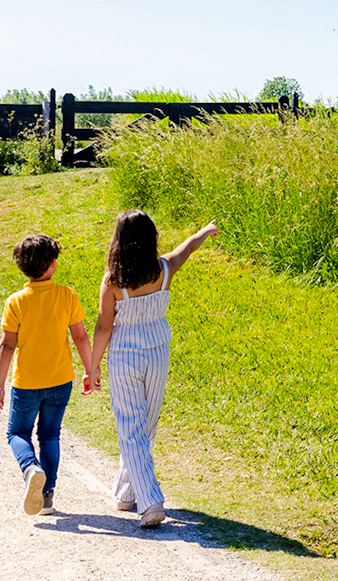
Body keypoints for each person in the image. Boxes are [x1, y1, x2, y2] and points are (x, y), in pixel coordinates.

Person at [90, 210, 218, 529]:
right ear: (151, 239)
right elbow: (187, 248)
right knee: (145, 424)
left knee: (131, 427)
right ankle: (126, 492)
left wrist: (92, 367)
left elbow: (104, 327)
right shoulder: (163, 268)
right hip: (158, 350)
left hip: (125, 355)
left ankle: (151, 503)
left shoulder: (113, 280)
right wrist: (204, 231)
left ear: (120, 242)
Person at [0, 234, 95, 516]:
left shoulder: (16, 302)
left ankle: (30, 468)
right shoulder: (67, 295)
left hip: (26, 382)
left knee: (17, 432)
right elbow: (81, 338)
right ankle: (47, 495)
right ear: (53, 264)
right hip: (61, 380)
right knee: (50, 435)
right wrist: (89, 370)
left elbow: (7, 344)